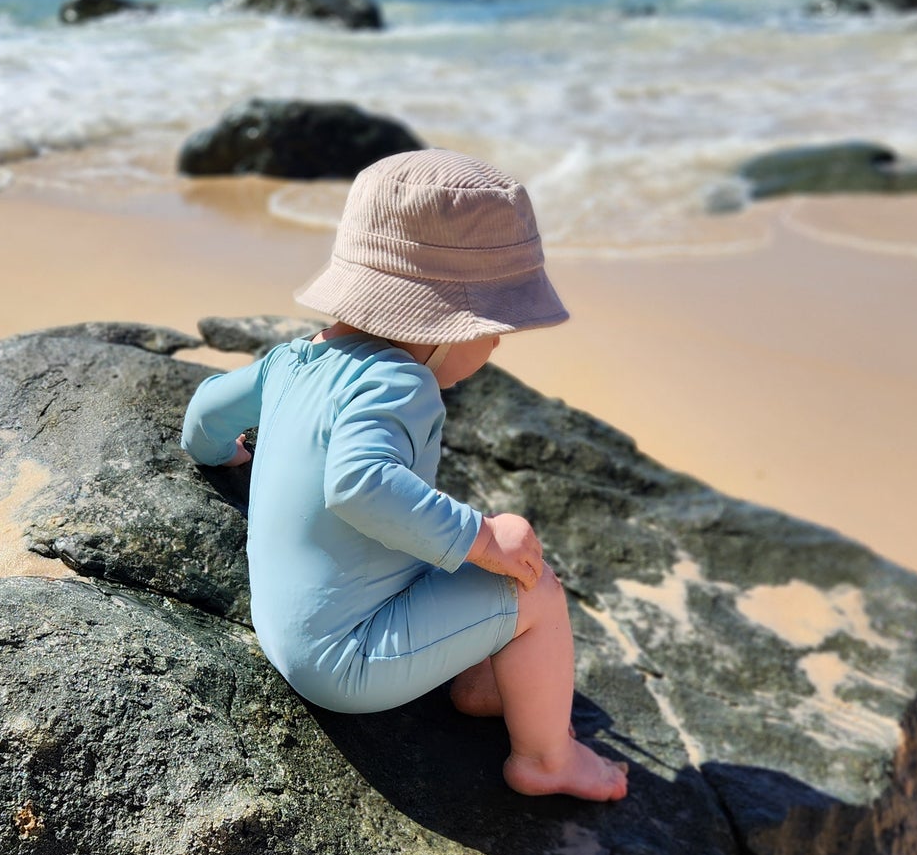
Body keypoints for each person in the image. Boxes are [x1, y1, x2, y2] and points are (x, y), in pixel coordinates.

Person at [180, 147, 628, 802]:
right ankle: (546, 758)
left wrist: (223, 455)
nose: (497, 344)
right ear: (441, 326)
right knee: (533, 586)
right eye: (494, 327)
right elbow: (359, 483)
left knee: (458, 551)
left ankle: (480, 681)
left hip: (284, 625)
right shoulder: (400, 384)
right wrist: (481, 536)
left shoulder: (292, 362)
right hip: (346, 661)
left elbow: (203, 414)